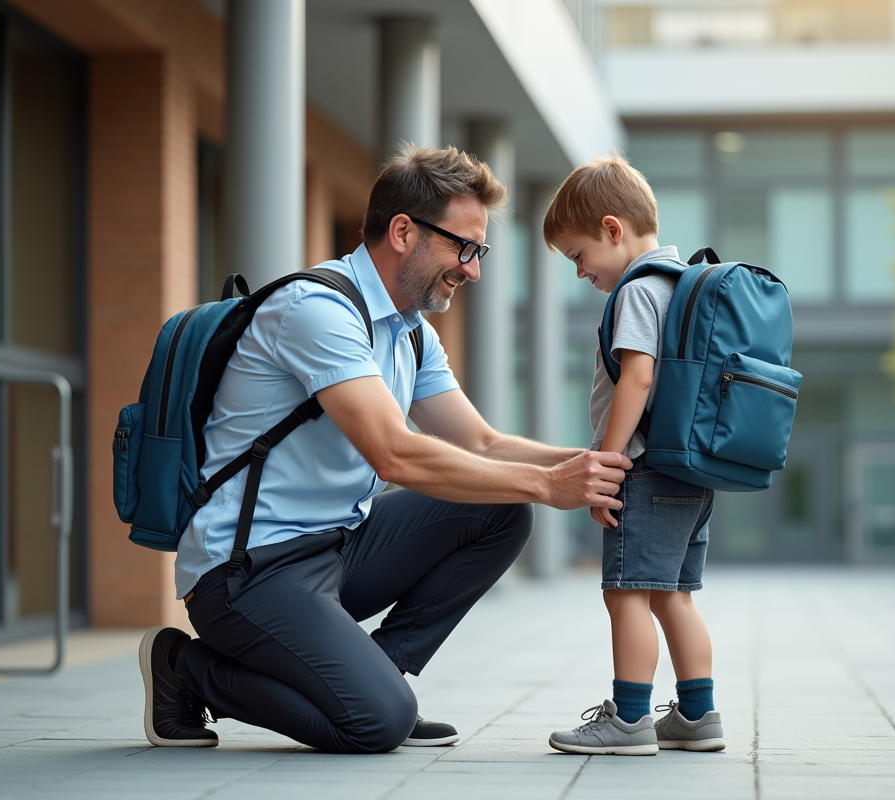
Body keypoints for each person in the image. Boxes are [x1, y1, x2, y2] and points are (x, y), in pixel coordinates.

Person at [138, 144, 632, 754]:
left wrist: (598, 464)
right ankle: (186, 668)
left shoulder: (410, 332)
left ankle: (367, 679)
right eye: (464, 248)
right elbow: (393, 454)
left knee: (500, 511)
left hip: (340, 549)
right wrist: (550, 486)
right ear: (403, 231)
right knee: (376, 724)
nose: (472, 269)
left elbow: (482, 442)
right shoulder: (316, 310)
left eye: (479, 251)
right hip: (247, 570)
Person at [541, 156, 724, 756]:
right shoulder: (684, 286)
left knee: (625, 593)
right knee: (674, 594)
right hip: (691, 472)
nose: (578, 271)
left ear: (613, 230)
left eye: (578, 255)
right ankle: (697, 716)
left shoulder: (638, 293)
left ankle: (628, 720)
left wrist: (608, 462)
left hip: (642, 471)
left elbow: (637, 380)